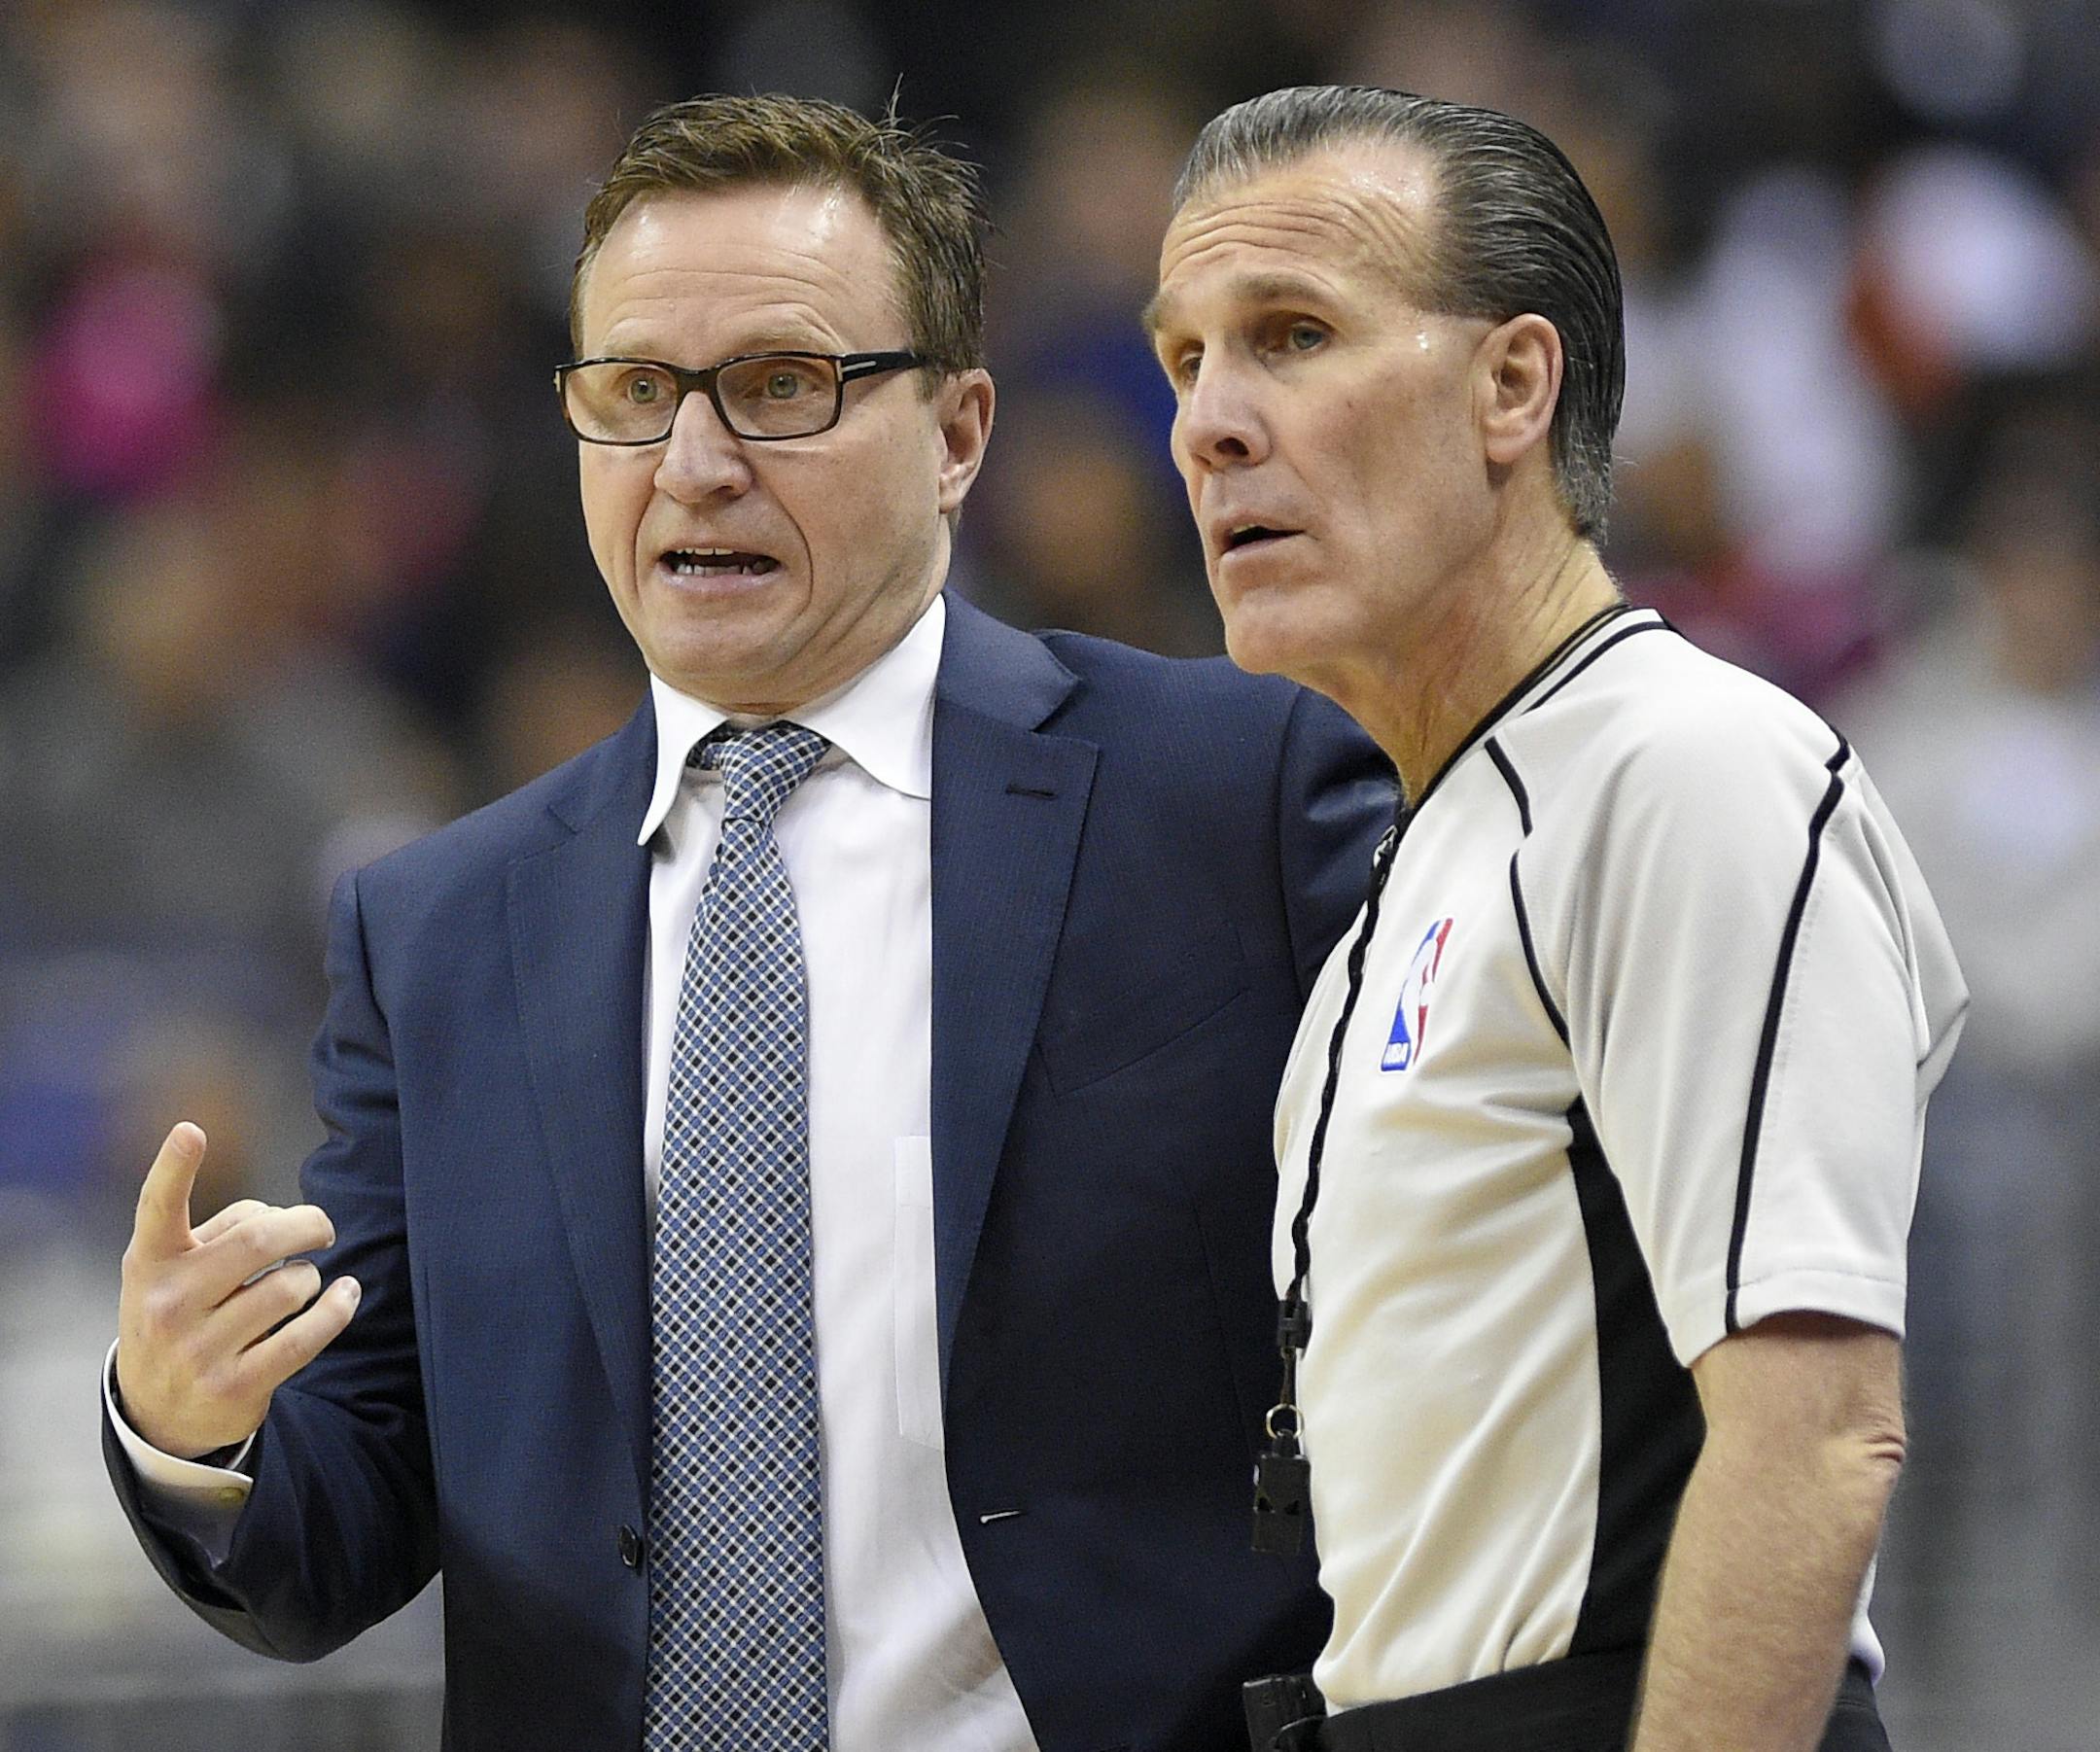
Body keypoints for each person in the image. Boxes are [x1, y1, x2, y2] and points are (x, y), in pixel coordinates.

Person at [103, 94, 1395, 1752]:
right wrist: (188, 1423)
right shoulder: (430, 929)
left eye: (783, 386)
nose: (695, 463)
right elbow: (344, 1523)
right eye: (635, 393)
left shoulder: (1240, 793)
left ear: (959, 431)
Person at [1142, 87, 1967, 1752]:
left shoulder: (1688, 766)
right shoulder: (1438, 837)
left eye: (1291, 335)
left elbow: (1812, 1437)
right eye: (1185, 360)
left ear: (1514, 384)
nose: (1211, 423)